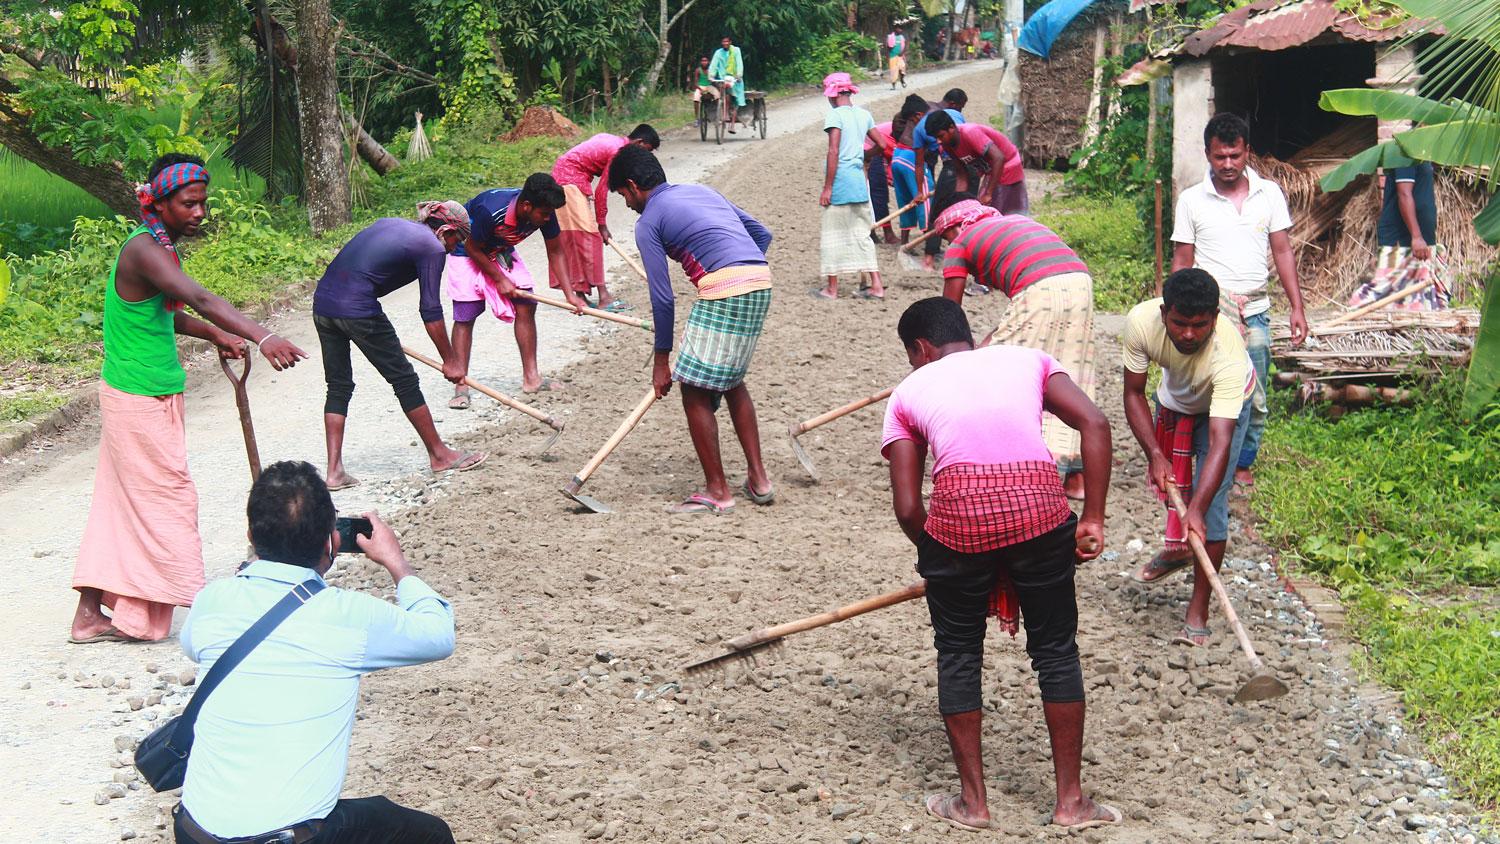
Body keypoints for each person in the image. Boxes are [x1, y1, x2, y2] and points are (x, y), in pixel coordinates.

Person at [882, 297, 1118, 832]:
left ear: (920, 349)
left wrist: (948, 565)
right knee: (1056, 652)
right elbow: (1095, 423)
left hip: (959, 519)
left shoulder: (908, 391)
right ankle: (1071, 804)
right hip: (1040, 507)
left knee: (959, 654)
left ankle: (973, 804)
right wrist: (1094, 518)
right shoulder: (1027, 360)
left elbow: (908, 507)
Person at [70, 153, 308, 645]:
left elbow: (168, 314)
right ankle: (181, 611)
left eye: (203, 202)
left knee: (121, 503)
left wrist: (212, 335)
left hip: (145, 388)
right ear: (159, 202)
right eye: (189, 203)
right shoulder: (144, 250)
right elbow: (199, 298)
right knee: (169, 499)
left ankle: (90, 614)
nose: (199, 212)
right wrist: (264, 338)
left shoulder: (160, 247)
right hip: (136, 394)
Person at [175, 460, 456, 844]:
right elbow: (439, 635)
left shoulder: (212, 600)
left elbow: (195, 648)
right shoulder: (348, 615)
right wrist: (396, 563)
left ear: (251, 537)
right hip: (290, 838)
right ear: (332, 541)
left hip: (195, 832)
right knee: (429, 836)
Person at [608, 144, 775, 514]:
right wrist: (736, 267)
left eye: (622, 195)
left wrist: (660, 363)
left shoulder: (648, 221)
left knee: (695, 391)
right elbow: (762, 235)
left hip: (726, 291)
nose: (626, 204)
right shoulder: (702, 190)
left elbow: (663, 298)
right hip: (760, 282)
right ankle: (759, 478)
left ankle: (718, 491)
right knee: (731, 381)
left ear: (633, 186)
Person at [1171, 112, 1307, 495]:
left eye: (1235, 155)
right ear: (1207, 155)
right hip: (1209, 313)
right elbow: (1183, 258)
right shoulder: (1192, 200)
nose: (1228, 165)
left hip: (1256, 309)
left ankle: (1243, 461)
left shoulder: (1270, 194)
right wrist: (1171, 312)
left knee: (1256, 393)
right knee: (1204, 386)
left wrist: (1297, 307)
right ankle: (1205, 456)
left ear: (1247, 151)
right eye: (1219, 157)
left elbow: (1282, 250)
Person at [929, 192, 1096, 500]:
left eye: (945, 236)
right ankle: (1077, 479)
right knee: (1068, 374)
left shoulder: (961, 243)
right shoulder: (1015, 222)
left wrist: (943, 366)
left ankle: (1011, 467)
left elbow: (947, 315)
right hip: (1080, 282)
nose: (947, 243)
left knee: (1002, 376)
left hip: (1038, 291)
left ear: (954, 228)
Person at [1121, 269, 1256, 647]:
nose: (1188, 334)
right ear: (1164, 313)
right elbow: (1133, 393)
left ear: (1215, 317)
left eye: (1200, 325)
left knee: (1208, 509)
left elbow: (1219, 442)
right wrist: (1155, 454)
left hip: (1225, 408)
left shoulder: (1227, 355)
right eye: (1180, 323)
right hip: (1177, 400)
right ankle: (1178, 549)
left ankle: (1198, 608)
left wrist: (1196, 507)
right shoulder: (1140, 324)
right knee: (1174, 488)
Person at [312, 204, 488, 491]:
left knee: (338, 385)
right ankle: (440, 455)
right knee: (404, 380)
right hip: (358, 309)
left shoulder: (392, 223)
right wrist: (451, 360)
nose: (455, 248)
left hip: (323, 304)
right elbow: (430, 309)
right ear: (446, 230)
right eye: (458, 240)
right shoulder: (432, 246)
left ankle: (334, 472)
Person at [445, 174, 571, 407]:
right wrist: (500, 279)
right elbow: (473, 248)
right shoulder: (490, 211)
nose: (547, 218)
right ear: (526, 206)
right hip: (467, 248)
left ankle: (532, 378)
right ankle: (461, 384)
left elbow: (556, 252)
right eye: (543, 214)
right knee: (466, 313)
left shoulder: (545, 211)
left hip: (500, 249)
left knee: (526, 304)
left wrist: (571, 296)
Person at [549, 124, 661, 313]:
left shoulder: (614, 140)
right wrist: (601, 224)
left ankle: (580, 295)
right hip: (569, 180)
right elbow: (602, 190)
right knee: (588, 237)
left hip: (568, 178)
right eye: (646, 151)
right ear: (640, 143)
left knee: (576, 237)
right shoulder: (618, 151)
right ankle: (603, 297)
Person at [817, 72, 891, 300]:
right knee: (862, 235)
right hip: (860, 181)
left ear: (833, 94)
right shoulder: (864, 114)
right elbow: (882, 143)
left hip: (841, 181)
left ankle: (832, 288)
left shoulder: (835, 116)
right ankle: (876, 285)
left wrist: (827, 187)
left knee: (832, 234)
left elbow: (833, 151)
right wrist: (865, 156)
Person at [1347, 160, 1449, 310]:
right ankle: (1356, 316)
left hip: (1420, 240)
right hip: (1403, 241)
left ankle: (1411, 329)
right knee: (1381, 291)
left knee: (1417, 297)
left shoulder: (1421, 155)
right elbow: (1404, 194)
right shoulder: (1405, 155)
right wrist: (1416, 236)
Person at [924, 110, 1027, 215]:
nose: (938, 141)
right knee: (981, 206)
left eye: (940, 136)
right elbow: (961, 173)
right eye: (935, 138)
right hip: (992, 169)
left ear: (951, 128)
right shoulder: (946, 145)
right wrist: (959, 202)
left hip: (1007, 164)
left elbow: (999, 158)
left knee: (996, 211)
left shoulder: (970, 133)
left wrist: (989, 193)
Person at [911, 89, 969, 268]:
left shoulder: (921, 128)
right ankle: (965, 256)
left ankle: (929, 258)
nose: (938, 141)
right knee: (965, 212)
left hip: (956, 166)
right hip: (965, 165)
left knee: (938, 212)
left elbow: (920, 164)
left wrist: (920, 191)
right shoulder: (953, 115)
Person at [890, 94, 936, 242]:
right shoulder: (928, 117)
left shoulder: (916, 116)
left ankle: (904, 242)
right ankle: (930, 246)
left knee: (904, 200)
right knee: (925, 199)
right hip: (910, 157)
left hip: (897, 156)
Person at [865, 119, 900, 244]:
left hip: (873, 150)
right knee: (878, 193)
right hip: (870, 151)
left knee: (875, 194)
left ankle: (875, 232)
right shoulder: (898, 133)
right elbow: (892, 156)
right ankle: (886, 233)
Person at [708, 35, 747, 134]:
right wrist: (711, 75)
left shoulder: (736, 51)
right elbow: (713, 65)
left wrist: (738, 75)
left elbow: (739, 63)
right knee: (722, 92)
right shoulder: (718, 53)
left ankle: (732, 125)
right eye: (723, 42)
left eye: (727, 42)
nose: (725, 43)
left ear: (730, 42)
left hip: (735, 80)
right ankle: (723, 111)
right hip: (722, 79)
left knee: (734, 99)